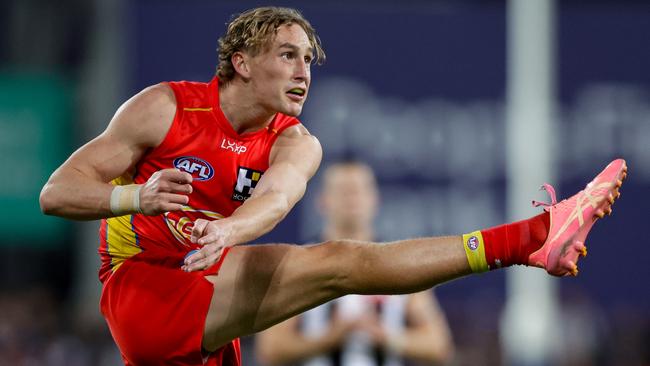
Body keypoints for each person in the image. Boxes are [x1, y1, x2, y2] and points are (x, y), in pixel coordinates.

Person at [39, 6, 627, 366]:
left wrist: (230, 229)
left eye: (309, 61)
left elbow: (277, 198)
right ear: (242, 62)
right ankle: (531, 237)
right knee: (340, 262)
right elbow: (56, 193)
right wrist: (135, 196)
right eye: (288, 56)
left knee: (342, 260)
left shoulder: (297, 141)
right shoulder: (163, 108)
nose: (303, 72)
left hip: (206, 287)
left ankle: (533, 240)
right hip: (141, 287)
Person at [256, 162, 454, 366]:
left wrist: (385, 336)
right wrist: (332, 336)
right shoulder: (301, 263)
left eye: (359, 190)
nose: (352, 198)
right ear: (323, 200)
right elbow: (271, 349)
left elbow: (438, 344)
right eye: (343, 191)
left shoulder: (397, 261)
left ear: (375, 199)